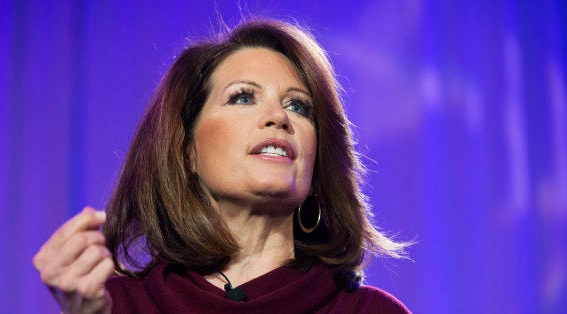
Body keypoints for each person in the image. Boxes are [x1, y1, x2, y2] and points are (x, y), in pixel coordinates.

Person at [33, 18, 412, 313]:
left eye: (299, 106)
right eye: (243, 97)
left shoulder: (369, 311)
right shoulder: (117, 306)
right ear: (186, 151)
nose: (278, 116)